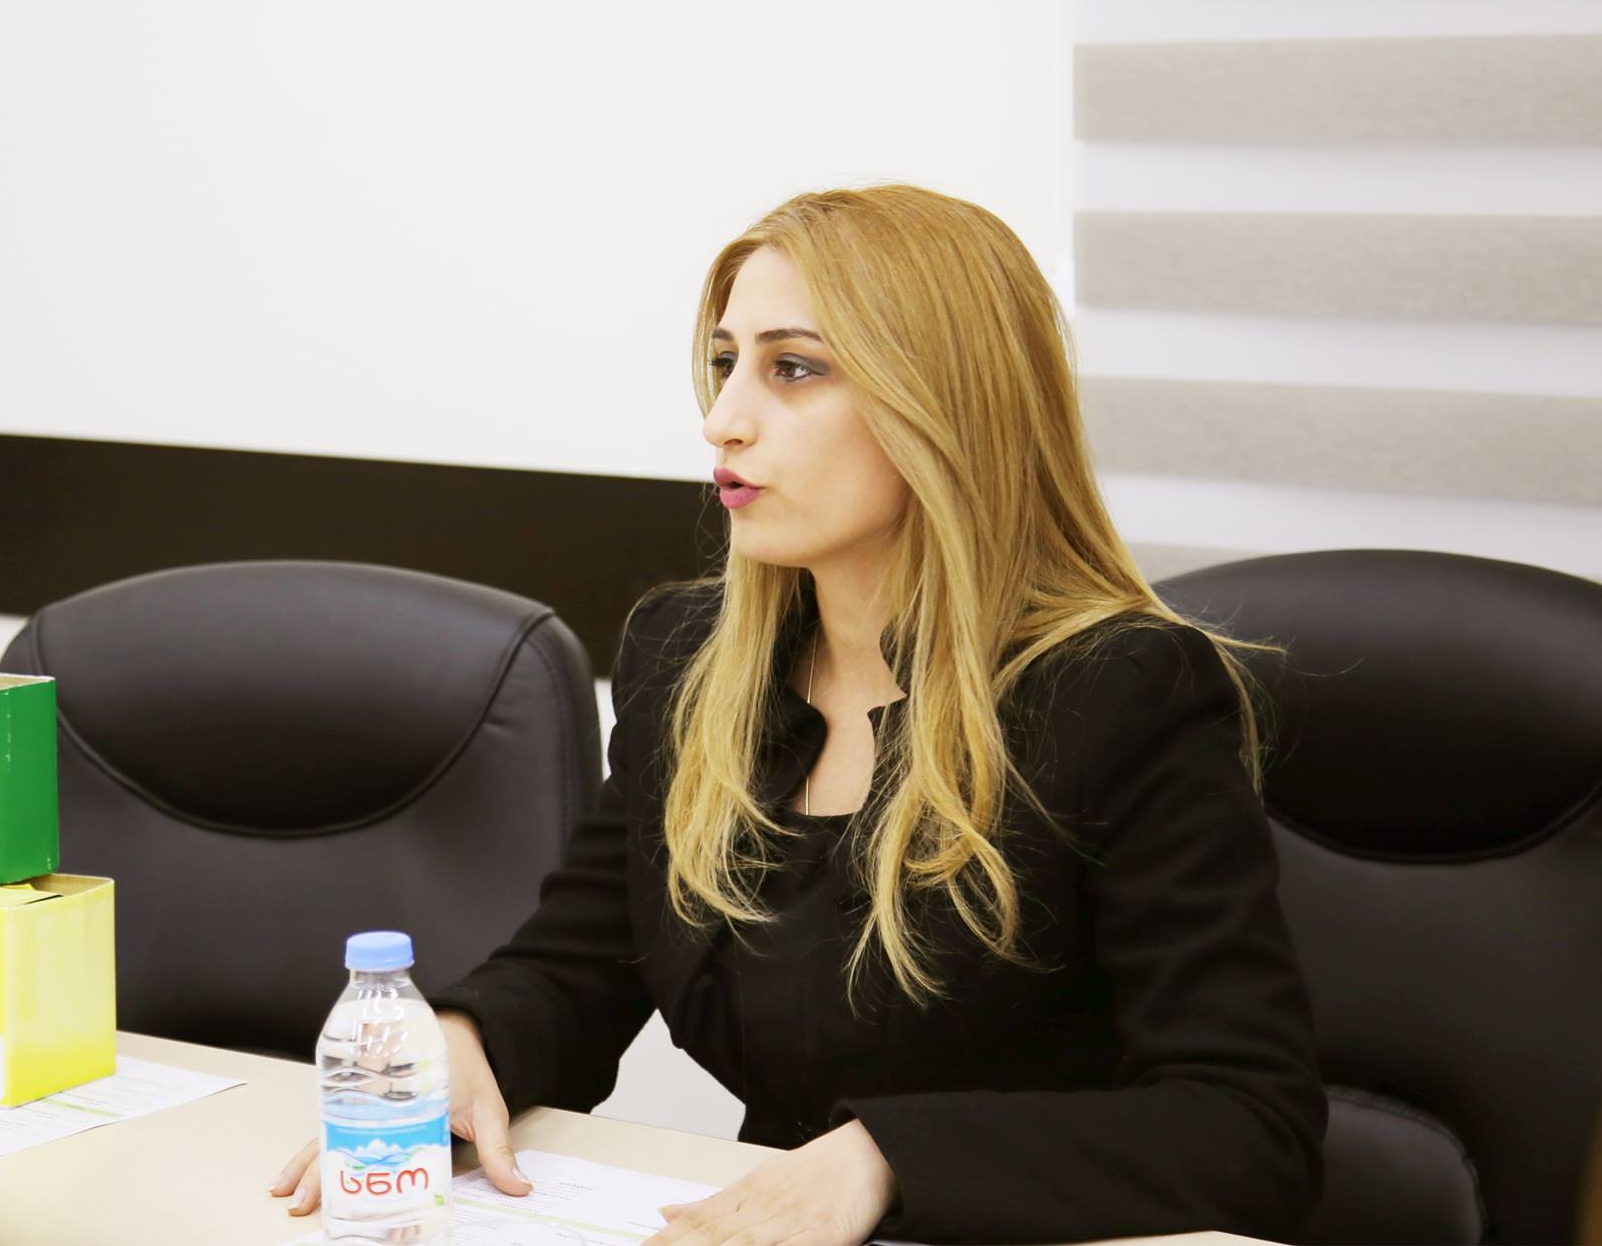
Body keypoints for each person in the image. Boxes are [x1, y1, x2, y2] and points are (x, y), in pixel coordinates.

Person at [268, 184, 1327, 1243]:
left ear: (942, 406)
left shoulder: (1120, 691)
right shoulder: (687, 660)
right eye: (726, 362)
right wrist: (464, 1042)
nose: (722, 419)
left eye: (795, 369)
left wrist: (886, 1158)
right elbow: (580, 961)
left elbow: (1247, 1127)